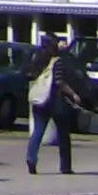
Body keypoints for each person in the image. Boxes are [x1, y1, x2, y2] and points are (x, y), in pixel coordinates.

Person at [25, 34, 85, 174]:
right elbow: (59, 81)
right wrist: (73, 94)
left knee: (37, 132)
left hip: (38, 100)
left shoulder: (37, 58)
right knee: (63, 134)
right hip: (55, 101)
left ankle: (31, 158)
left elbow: (28, 74)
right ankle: (65, 166)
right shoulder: (57, 60)